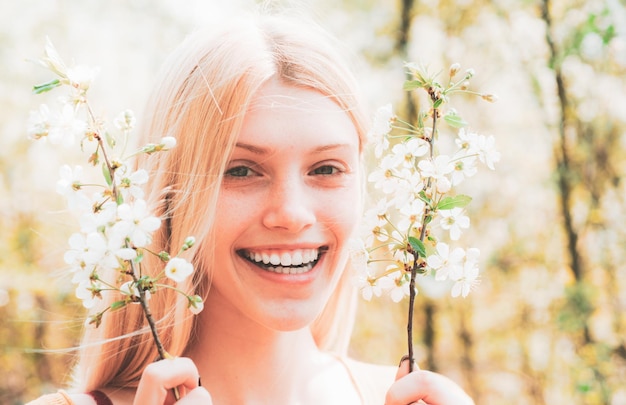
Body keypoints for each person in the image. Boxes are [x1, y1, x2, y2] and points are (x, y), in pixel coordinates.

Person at [28, 9, 474, 405]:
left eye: (326, 169)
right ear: (168, 193)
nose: (292, 214)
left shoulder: (418, 400)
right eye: (241, 170)